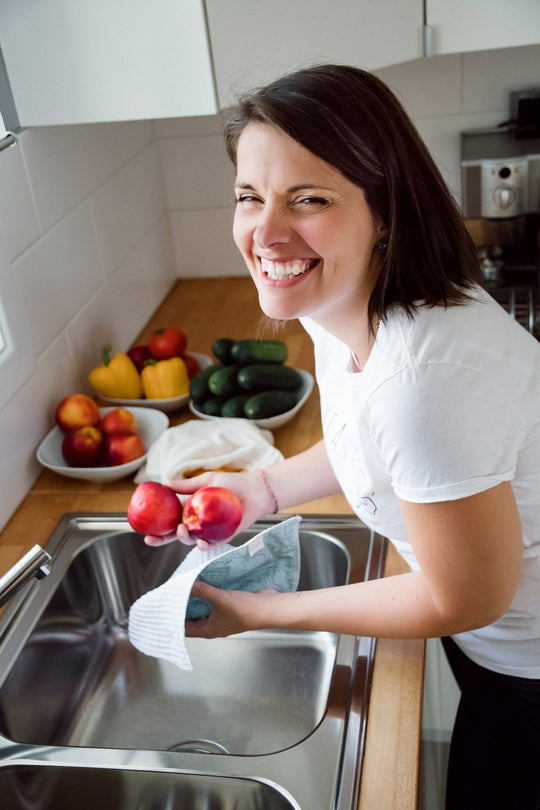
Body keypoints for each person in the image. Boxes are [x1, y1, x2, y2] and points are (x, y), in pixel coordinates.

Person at [145, 65, 540, 809]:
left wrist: (257, 614)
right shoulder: (344, 305)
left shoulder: (425, 380)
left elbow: (464, 597)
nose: (266, 232)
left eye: (309, 199)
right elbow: (373, 442)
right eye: (250, 196)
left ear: (384, 212)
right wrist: (260, 488)